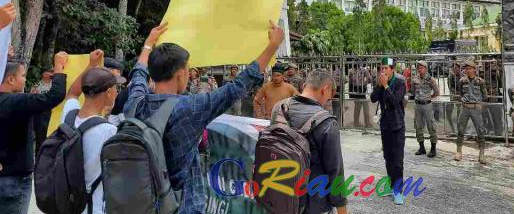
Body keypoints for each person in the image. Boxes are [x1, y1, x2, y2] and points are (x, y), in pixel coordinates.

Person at [124, 21, 284, 213]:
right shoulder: (189, 108)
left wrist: (148, 44)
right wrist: (273, 46)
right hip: (181, 206)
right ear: (181, 73)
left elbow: (139, 75)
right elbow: (235, 88)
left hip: (141, 203)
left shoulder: (135, 104)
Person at [0, 52, 68, 214]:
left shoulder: (18, 102)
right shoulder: (18, 101)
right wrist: (59, 67)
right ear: (10, 79)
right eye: (23, 75)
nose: (25, 79)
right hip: (15, 180)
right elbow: (55, 96)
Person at [272, 69, 348, 214]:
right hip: (313, 204)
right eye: (329, 96)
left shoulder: (279, 108)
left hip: (279, 196)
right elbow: (335, 171)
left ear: (305, 85)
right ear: (325, 89)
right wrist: (342, 211)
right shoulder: (326, 122)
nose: (327, 101)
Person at [62, 49, 125, 214]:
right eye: (116, 88)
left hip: (66, 202)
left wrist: (91, 65)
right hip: (92, 207)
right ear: (109, 92)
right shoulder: (109, 131)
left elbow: (72, 93)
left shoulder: (69, 115)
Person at [371, 57, 406, 205]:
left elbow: (393, 102)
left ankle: (398, 191)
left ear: (393, 69)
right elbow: (373, 99)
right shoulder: (380, 81)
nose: (383, 71)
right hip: (385, 125)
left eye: (386, 68)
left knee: (397, 160)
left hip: (397, 126)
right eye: (381, 68)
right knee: (388, 158)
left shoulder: (400, 82)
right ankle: (392, 186)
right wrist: (379, 86)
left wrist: (386, 87)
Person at [454, 60, 488, 164]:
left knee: (480, 130)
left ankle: (482, 154)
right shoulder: (462, 81)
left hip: (476, 108)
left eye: (470, 69)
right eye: (466, 69)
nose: (468, 71)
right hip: (465, 108)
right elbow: (460, 93)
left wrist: (477, 103)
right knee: (460, 129)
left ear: (474, 69)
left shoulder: (481, 81)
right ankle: (458, 151)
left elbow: (485, 96)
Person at [412, 60, 440, 157]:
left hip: (427, 105)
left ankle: (433, 149)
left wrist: (428, 98)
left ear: (426, 68)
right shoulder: (415, 79)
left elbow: (437, 92)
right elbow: (413, 91)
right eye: (418, 68)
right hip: (417, 105)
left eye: (422, 68)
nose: (420, 69)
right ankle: (421, 148)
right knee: (418, 126)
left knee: (431, 126)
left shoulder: (431, 79)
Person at [30, 68, 54, 154]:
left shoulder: (54, 85)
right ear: (44, 74)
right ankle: (39, 154)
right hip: (41, 114)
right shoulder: (37, 86)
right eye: (50, 71)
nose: (52, 73)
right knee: (41, 136)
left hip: (52, 113)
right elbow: (32, 99)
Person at [446, 62, 462, 135]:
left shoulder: (462, 76)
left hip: (460, 97)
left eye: (457, 67)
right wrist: (455, 93)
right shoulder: (450, 76)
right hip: (453, 97)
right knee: (450, 114)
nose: (456, 69)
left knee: (460, 114)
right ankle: (452, 130)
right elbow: (450, 87)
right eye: (455, 67)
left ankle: (459, 129)